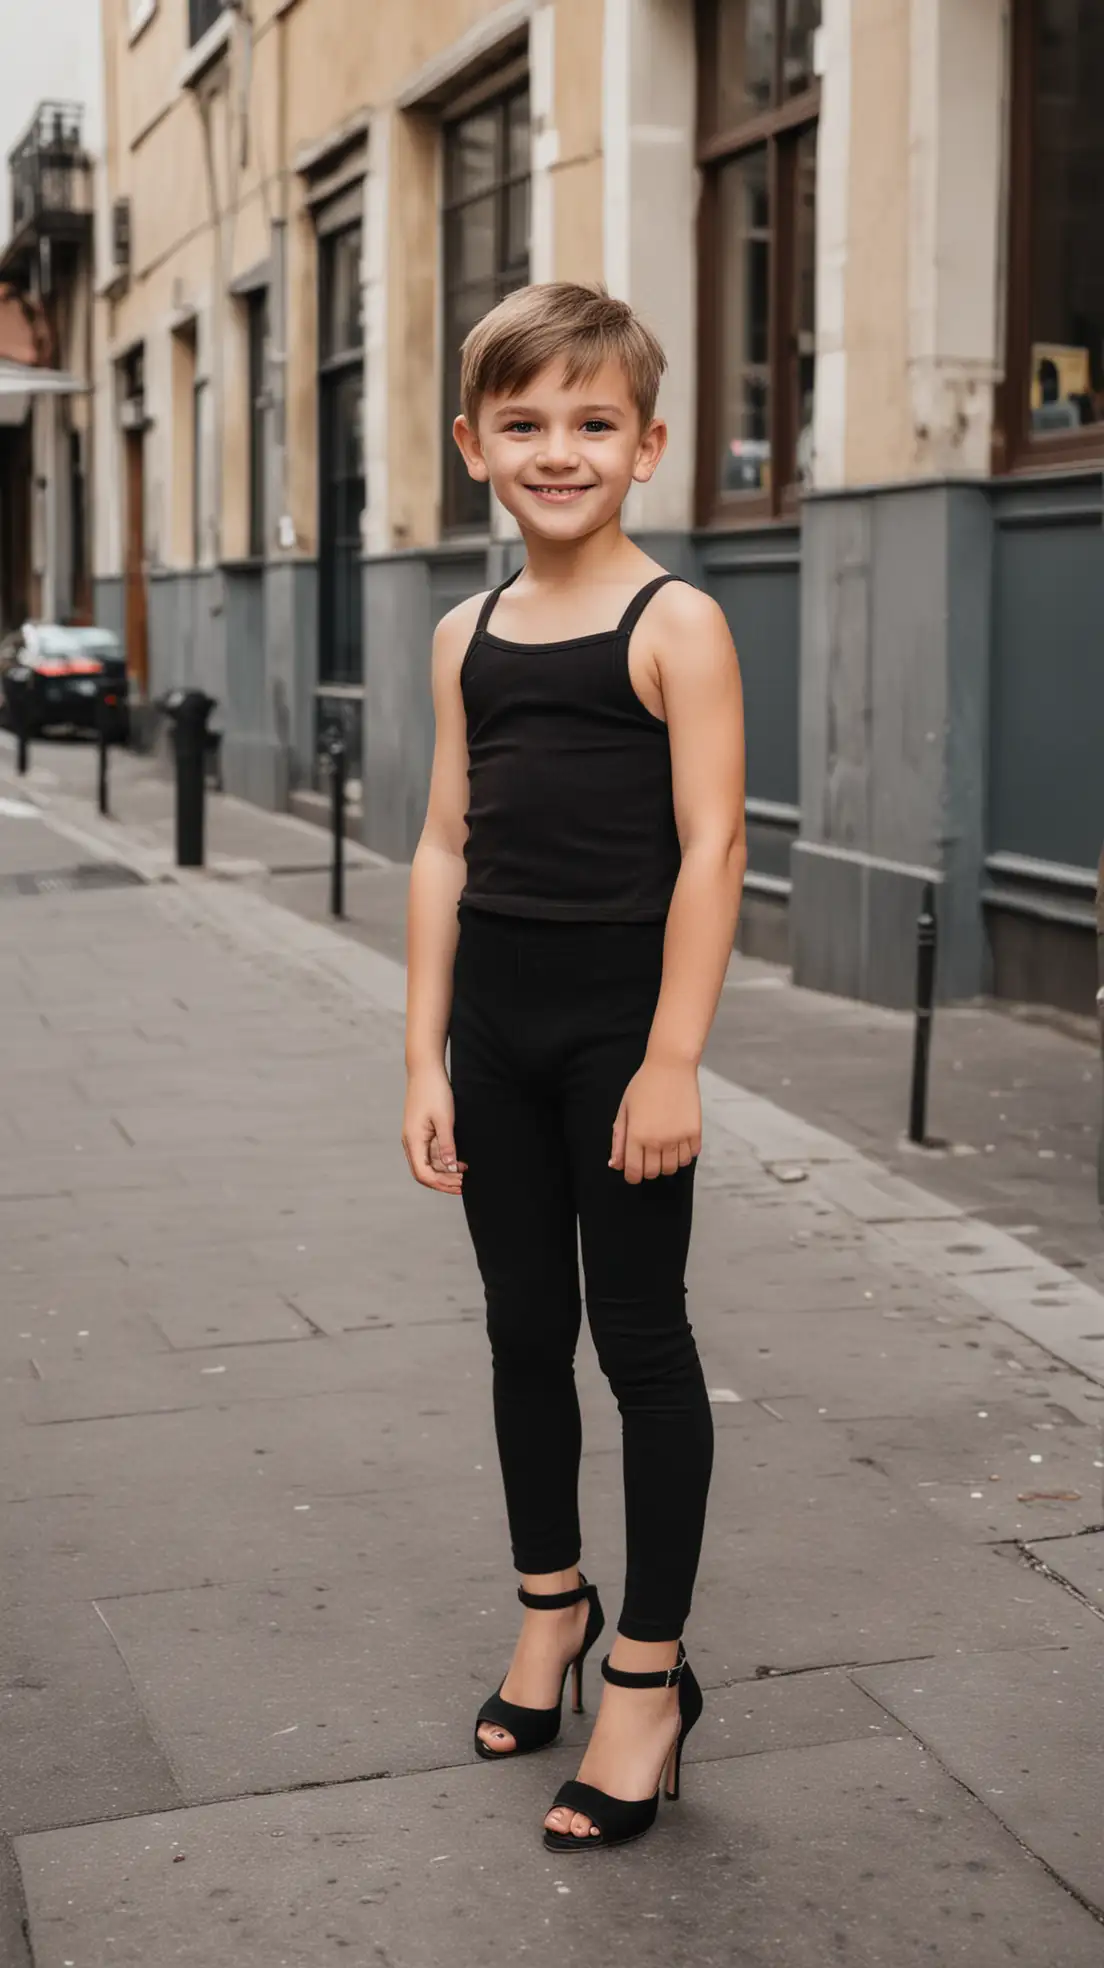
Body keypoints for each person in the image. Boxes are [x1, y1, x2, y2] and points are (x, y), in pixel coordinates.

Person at [402, 282, 747, 1853]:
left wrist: (673, 1059)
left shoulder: (674, 622)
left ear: (649, 443)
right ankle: (553, 1604)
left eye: (592, 423)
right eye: (525, 424)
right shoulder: (460, 634)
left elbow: (714, 846)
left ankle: (650, 1677)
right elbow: (440, 842)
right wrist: (423, 1055)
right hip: (497, 1037)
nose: (560, 449)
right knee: (521, 1331)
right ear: (475, 446)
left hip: (622, 1039)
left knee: (645, 1344)